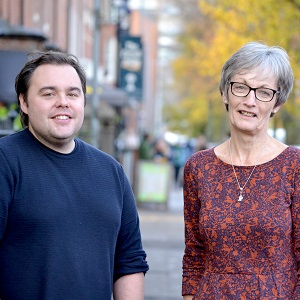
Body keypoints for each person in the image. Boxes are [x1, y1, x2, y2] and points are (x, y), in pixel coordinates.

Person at [0, 51, 149, 299]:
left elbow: (129, 261)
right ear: (24, 102)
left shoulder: (111, 171)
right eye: (49, 94)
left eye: (72, 93)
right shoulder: (6, 161)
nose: (63, 102)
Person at [182, 42, 300, 299]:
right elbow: (194, 256)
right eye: (241, 87)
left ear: (277, 104)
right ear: (225, 92)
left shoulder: (295, 165)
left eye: (264, 92)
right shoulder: (198, 167)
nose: (250, 100)